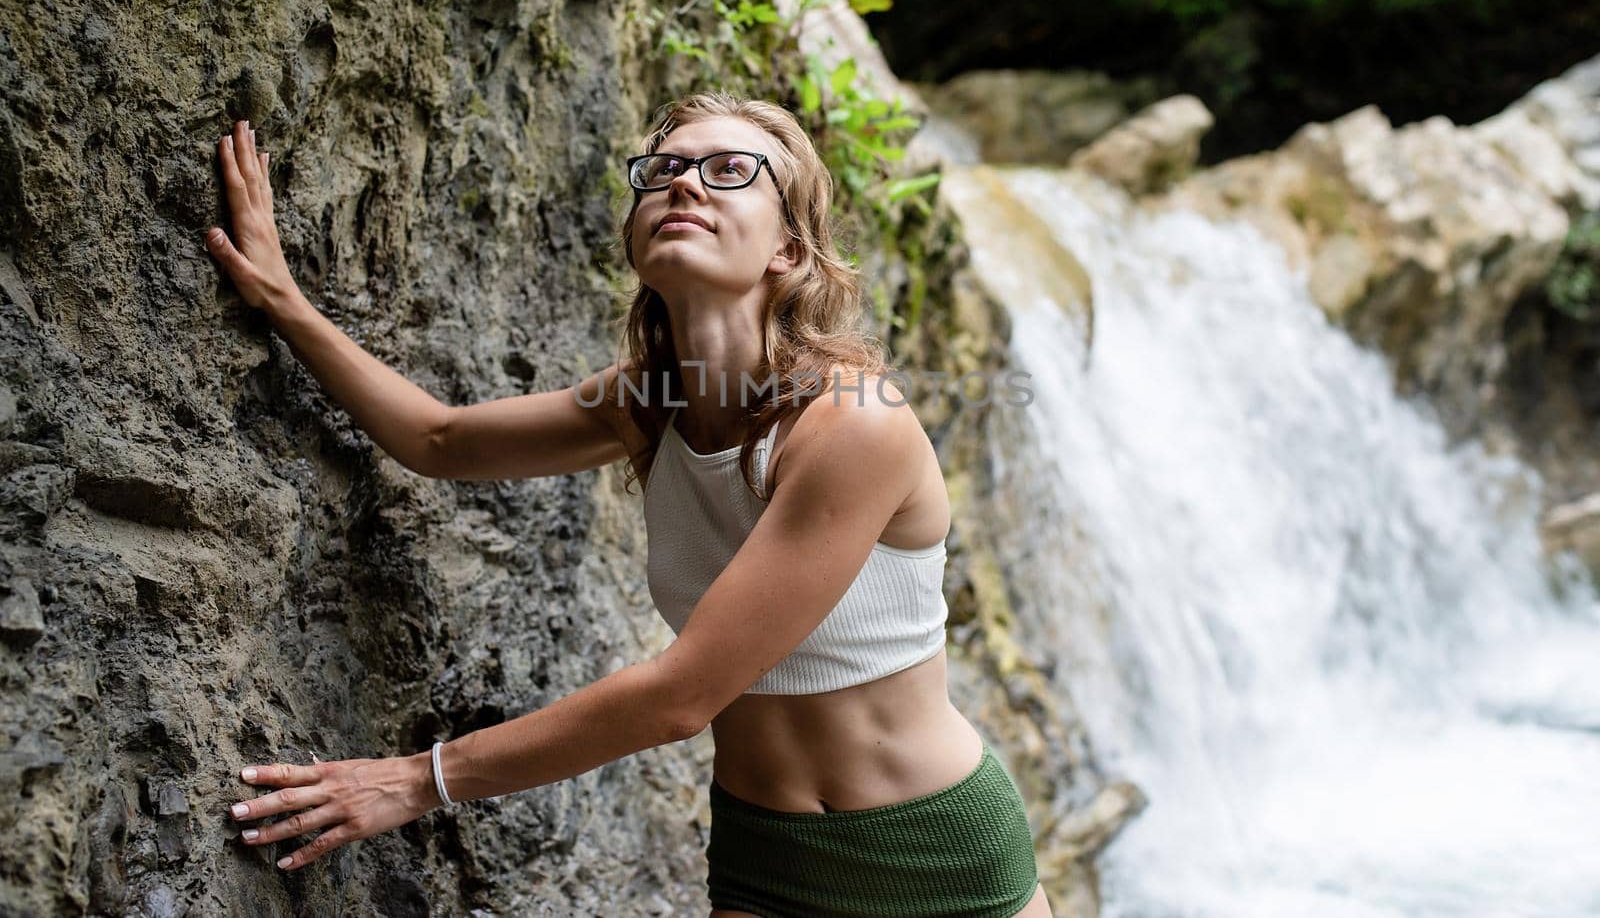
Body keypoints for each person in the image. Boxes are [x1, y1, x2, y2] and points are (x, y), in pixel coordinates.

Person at [204, 92, 1052, 917]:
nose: (684, 183)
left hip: (937, 858)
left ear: (788, 250)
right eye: (665, 170)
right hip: (768, 859)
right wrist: (282, 298)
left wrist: (415, 780)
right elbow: (440, 441)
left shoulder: (853, 424)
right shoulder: (649, 404)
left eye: (728, 171)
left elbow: (682, 697)